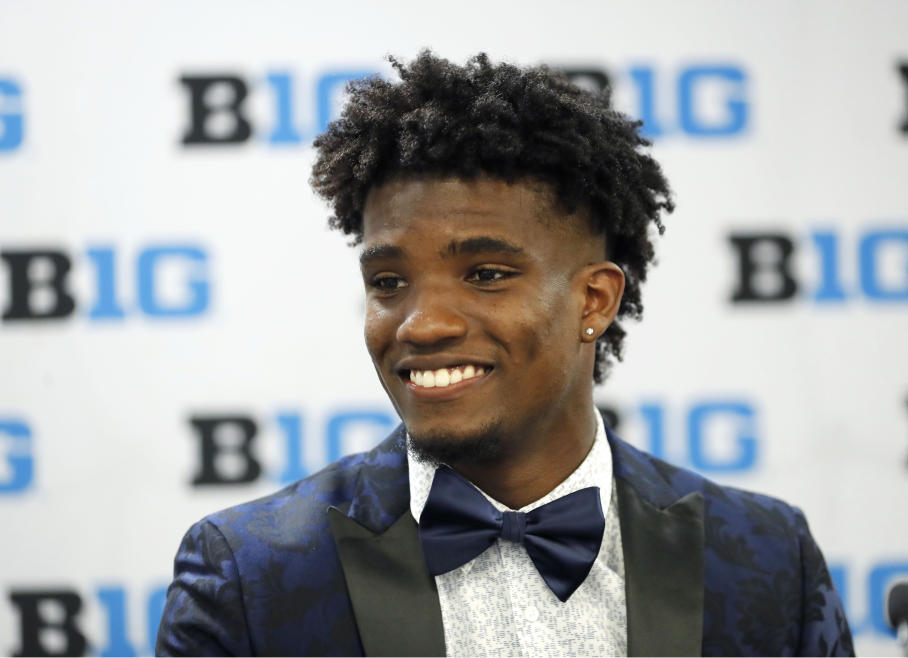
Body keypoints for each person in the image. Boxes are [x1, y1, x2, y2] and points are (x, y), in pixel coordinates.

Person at [156, 51, 854, 657]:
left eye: (486, 274)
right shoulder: (250, 575)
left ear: (595, 301)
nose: (422, 325)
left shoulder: (763, 557)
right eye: (388, 282)